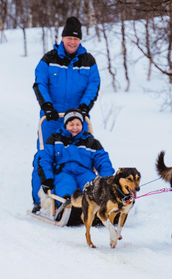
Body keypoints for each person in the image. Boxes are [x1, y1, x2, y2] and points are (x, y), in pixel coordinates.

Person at [31, 16, 101, 211]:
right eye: (69, 37)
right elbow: (40, 83)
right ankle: (41, 200)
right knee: (45, 155)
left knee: (84, 157)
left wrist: (84, 107)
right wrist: (47, 106)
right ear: (62, 38)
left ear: (80, 41)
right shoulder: (49, 59)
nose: (72, 42)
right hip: (52, 118)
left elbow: (93, 84)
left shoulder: (88, 61)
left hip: (79, 119)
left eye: (76, 39)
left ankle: (86, 198)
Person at [36, 108, 114, 205]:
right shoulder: (55, 139)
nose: (75, 128)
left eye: (78, 124)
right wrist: (47, 179)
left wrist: (107, 179)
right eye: (71, 124)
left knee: (92, 187)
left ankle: (96, 208)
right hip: (63, 172)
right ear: (65, 125)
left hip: (85, 172)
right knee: (65, 186)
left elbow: (103, 161)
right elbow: (45, 159)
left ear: (82, 125)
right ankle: (67, 206)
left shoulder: (91, 142)